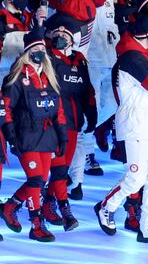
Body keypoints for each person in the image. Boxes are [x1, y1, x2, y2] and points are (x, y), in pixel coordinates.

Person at [94, 14, 148, 246]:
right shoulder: (131, 57)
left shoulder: (143, 54)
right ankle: (106, 207)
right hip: (135, 125)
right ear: (146, 36)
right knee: (135, 178)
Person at [0, 27, 67, 242]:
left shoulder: (48, 77)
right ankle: (36, 224)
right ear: (28, 52)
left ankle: (10, 206)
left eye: (42, 48)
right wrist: (10, 135)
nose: (41, 51)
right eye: (36, 48)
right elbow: (7, 107)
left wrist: (62, 135)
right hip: (25, 135)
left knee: (40, 179)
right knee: (36, 179)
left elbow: (59, 110)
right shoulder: (18, 76)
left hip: (47, 137)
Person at [40, 15, 95, 231]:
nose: (60, 36)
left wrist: (92, 114)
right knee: (57, 169)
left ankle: (48, 204)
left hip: (73, 122)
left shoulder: (80, 60)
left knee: (63, 168)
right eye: (56, 34)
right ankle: (62, 208)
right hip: (51, 123)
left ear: (72, 40)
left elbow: (87, 91)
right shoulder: (46, 57)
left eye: (65, 35)